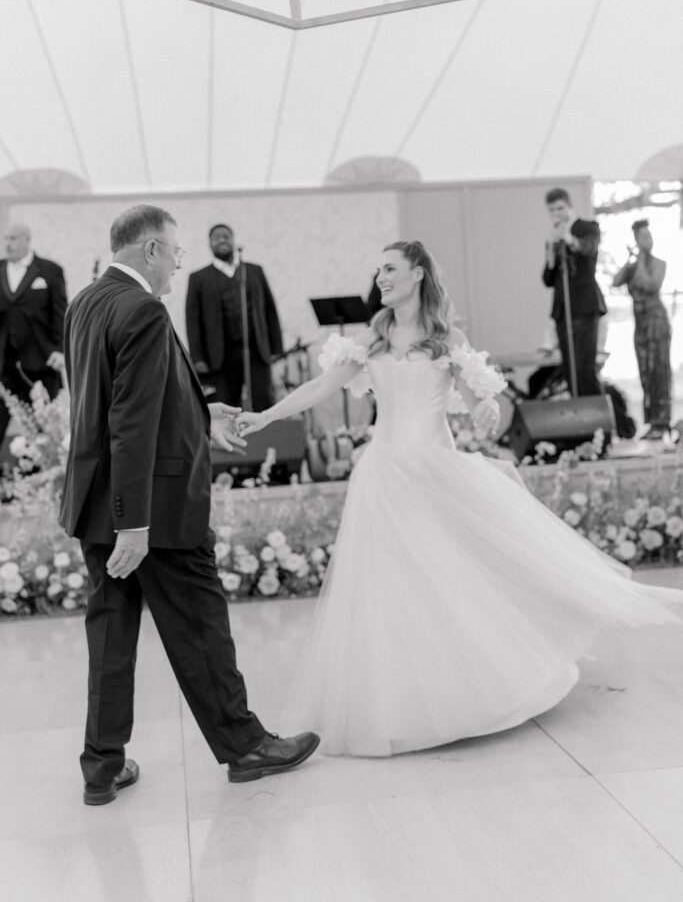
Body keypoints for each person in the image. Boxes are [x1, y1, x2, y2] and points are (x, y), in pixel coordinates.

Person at [239, 240, 682, 757]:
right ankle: (401, 698)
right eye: (378, 268)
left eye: (390, 268)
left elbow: (479, 401)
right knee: (390, 588)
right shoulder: (370, 339)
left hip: (434, 469)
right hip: (383, 474)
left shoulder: (448, 339)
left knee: (451, 577)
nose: (380, 277)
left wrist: (486, 411)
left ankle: (478, 688)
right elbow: (319, 387)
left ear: (418, 275)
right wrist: (265, 417)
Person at [58, 204, 318, 805]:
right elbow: (131, 420)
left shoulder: (86, 302)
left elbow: (119, 399)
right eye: (175, 253)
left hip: (96, 502)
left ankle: (102, 767)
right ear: (150, 250)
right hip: (155, 513)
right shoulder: (145, 309)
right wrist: (137, 525)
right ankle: (246, 746)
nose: (179, 264)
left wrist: (203, 413)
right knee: (201, 626)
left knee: (110, 637)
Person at [185, 224, 282, 410]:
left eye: (226, 236)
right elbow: (192, 321)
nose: (222, 240)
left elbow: (270, 309)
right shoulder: (198, 278)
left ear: (233, 240)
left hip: (256, 351)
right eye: (216, 237)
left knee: (263, 402)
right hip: (220, 356)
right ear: (210, 244)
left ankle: (261, 439)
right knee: (227, 406)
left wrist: (276, 348)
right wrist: (198, 358)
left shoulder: (254, 271)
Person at [0, 222, 67, 438]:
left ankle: (39, 472)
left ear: (27, 240)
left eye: (13, 239)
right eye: (6, 239)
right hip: (4, 365)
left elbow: (60, 314)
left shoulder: (50, 271)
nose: (8, 244)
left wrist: (60, 349)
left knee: (42, 431)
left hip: (39, 363)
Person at [542, 188, 607, 396]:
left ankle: (599, 423)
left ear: (569, 206)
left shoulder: (587, 227)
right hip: (563, 311)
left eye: (560, 208)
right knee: (569, 370)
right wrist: (551, 251)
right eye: (552, 210)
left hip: (585, 307)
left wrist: (569, 239)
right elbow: (548, 279)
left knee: (584, 369)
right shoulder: (554, 239)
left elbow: (587, 249)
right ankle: (582, 425)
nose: (556, 213)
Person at [612, 219, 672, 439]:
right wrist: (631, 261)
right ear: (635, 240)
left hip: (656, 322)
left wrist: (642, 260)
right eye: (643, 237)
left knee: (659, 371)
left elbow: (651, 284)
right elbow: (616, 281)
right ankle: (651, 421)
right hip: (640, 325)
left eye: (649, 236)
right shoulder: (633, 265)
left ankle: (662, 421)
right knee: (645, 373)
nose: (648, 241)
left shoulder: (659, 264)